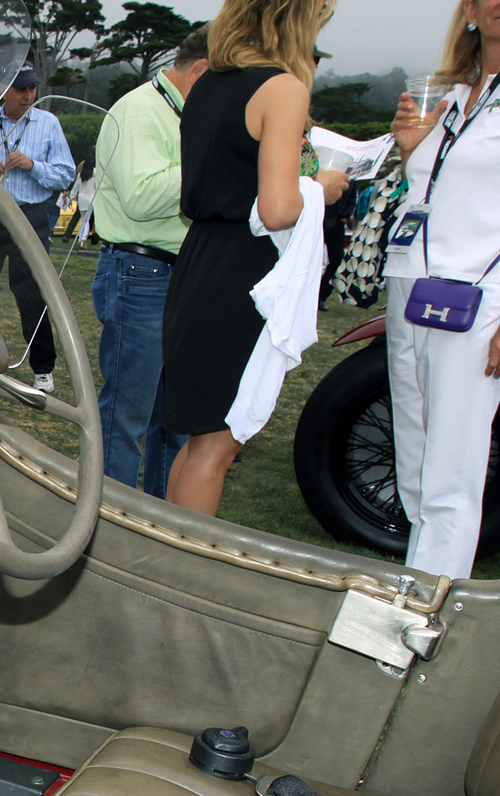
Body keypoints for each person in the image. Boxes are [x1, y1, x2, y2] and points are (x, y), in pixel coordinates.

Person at [160, 0, 347, 516]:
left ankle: (165, 558)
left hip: (199, 261)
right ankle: (183, 574)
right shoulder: (283, 89)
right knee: (218, 446)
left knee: (201, 439)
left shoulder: (207, 83)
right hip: (244, 271)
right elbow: (279, 207)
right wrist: (323, 188)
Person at [382, 0, 500, 579]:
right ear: (470, 11)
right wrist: (410, 148)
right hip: (410, 285)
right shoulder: (450, 94)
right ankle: (413, 583)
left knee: (451, 466)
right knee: (416, 457)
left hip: (479, 300)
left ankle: (428, 605)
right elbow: (431, 193)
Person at [89, 26, 209, 499]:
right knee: (126, 414)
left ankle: (160, 521)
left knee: (174, 421)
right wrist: (211, 164)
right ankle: (111, 521)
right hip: (142, 274)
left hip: (175, 273)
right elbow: (140, 198)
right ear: (200, 70)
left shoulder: (181, 113)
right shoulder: (139, 112)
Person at [0, 66, 76, 394]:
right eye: (21, 89)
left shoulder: (48, 124)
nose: (28, 96)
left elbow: (65, 174)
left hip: (30, 216)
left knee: (31, 295)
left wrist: (33, 166)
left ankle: (43, 369)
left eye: (32, 89)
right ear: (4, 91)